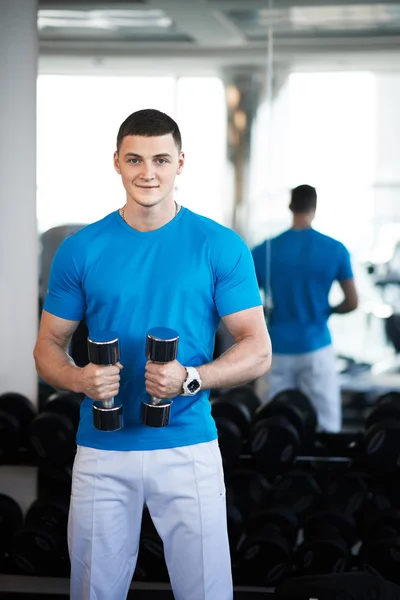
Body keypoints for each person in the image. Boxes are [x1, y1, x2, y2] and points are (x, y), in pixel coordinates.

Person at [33, 108, 271, 600]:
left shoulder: (219, 246)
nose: (148, 172)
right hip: (102, 449)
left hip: (188, 445)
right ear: (116, 163)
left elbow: (258, 350)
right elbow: (48, 346)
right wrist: (80, 379)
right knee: (93, 591)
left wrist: (191, 378)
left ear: (180, 163)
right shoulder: (81, 250)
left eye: (161, 159)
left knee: (206, 593)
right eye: (135, 159)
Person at [251, 184, 358, 433]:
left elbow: (244, 298)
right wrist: (326, 310)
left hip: (276, 347)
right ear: (315, 207)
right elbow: (352, 302)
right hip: (316, 345)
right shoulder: (335, 249)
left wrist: (267, 311)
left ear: (290, 206)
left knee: (269, 419)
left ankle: (271, 468)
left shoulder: (265, 249)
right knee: (326, 423)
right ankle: (323, 469)